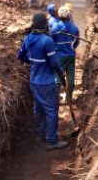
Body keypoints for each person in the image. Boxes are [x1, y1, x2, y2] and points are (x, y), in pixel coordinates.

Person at [17, 13, 68, 151]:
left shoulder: (28, 38)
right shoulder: (47, 40)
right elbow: (53, 61)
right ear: (45, 24)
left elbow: (19, 55)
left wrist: (33, 63)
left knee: (38, 107)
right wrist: (61, 72)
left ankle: (40, 133)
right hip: (46, 82)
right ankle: (51, 140)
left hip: (34, 81)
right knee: (52, 110)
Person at [50, 7, 80, 101]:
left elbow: (51, 41)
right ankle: (69, 97)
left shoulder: (55, 27)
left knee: (57, 79)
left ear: (59, 16)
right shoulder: (74, 28)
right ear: (68, 16)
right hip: (70, 56)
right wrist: (72, 48)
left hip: (59, 57)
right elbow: (77, 41)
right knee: (70, 78)